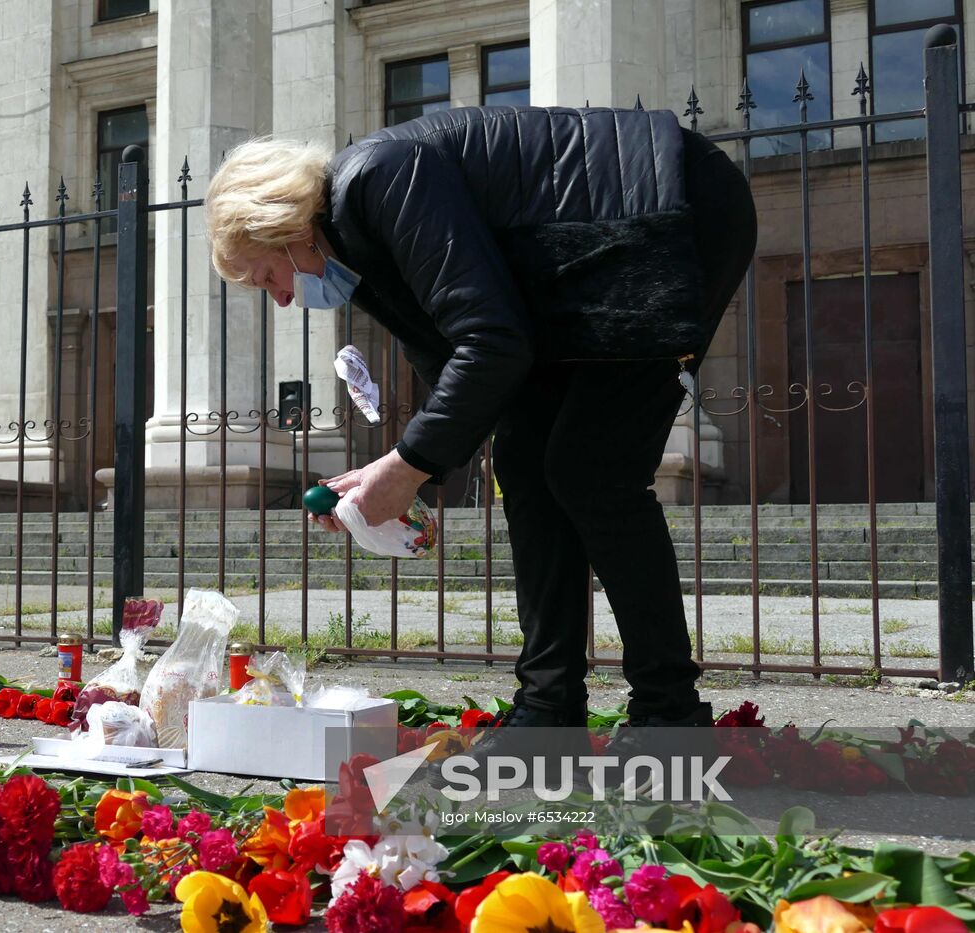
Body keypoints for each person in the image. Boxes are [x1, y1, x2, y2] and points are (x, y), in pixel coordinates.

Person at [204, 106, 757, 728]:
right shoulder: (358, 248)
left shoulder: (379, 180)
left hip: (666, 211)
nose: (281, 298)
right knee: (525, 463)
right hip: (579, 265)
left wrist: (409, 465)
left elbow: (492, 340)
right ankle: (548, 709)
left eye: (268, 276)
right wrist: (390, 481)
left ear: (287, 229)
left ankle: (669, 715)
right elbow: (456, 365)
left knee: (592, 469)